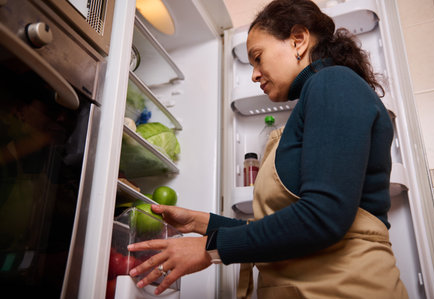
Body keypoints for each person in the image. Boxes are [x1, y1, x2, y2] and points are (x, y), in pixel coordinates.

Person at [127, 0, 408, 298]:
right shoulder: (319, 96)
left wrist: (209, 249)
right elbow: (285, 226)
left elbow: (323, 216)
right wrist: (201, 223)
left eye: (258, 58)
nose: (255, 74)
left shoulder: (334, 83)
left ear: (298, 41)